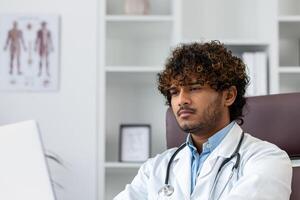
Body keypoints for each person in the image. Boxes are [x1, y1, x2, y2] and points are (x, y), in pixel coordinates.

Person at [114, 41, 292, 200]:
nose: (181, 100)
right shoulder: (156, 168)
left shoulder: (267, 159)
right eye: (175, 92)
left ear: (228, 95)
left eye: (194, 88)